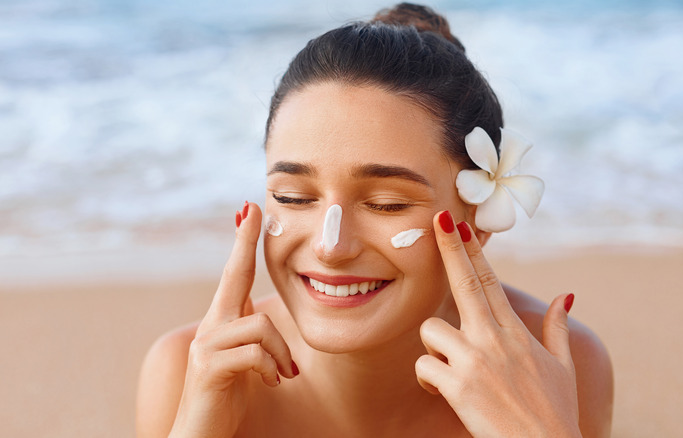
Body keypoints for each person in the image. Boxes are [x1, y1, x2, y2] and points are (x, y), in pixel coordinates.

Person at [136, 3, 613, 437]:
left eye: (387, 203)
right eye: (293, 197)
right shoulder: (187, 372)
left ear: (478, 216)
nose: (330, 246)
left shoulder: (550, 371)